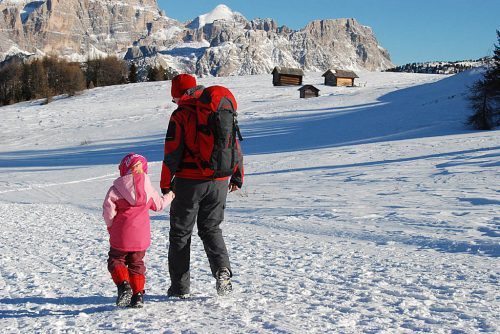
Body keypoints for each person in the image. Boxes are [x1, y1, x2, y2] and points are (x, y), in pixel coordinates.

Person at [161, 74, 244, 298]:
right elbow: (233, 143)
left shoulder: (181, 115)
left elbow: (171, 151)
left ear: (179, 95)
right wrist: (237, 175)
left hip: (189, 182)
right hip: (219, 181)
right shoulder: (216, 109)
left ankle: (179, 288)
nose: (175, 103)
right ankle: (222, 271)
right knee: (211, 229)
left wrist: (165, 184)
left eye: (174, 99)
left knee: (180, 234)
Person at [103, 153, 175, 308]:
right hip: (140, 237)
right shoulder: (148, 188)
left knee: (116, 260)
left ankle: (123, 285)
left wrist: (110, 226)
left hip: (120, 235)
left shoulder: (116, 189)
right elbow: (159, 205)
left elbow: (108, 212)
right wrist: (170, 195)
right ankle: (138, 296)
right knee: (137, 263)